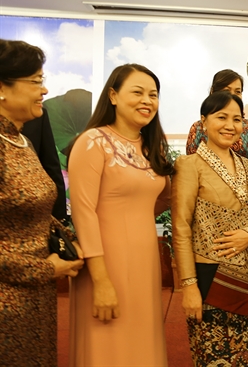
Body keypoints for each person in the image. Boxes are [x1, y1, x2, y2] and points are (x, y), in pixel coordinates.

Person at [67, 63, 174, 366]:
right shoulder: (93, 141)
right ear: (113, 96)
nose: (147, 101)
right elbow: (83, 212)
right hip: (104, 263)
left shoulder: (152, 148)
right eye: (137, 92)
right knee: (107, 347)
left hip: (144, 262)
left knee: (141, 343)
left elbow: (160, 200)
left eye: (153, 95)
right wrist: (101, 280)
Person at [172, 91, 248, 366]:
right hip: (209, 279)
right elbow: (181, 228)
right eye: (222, 117)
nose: (230, 125)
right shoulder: (189, 165)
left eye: (237, 119)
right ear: (203, 122)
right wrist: (188, 286)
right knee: (214, 356)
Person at [0, 39, 84, 366]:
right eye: (36, 81)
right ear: (2, 88)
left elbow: (35, 210)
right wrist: (46, 268)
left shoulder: (19, 139)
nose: (45, 90)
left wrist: (71, 241)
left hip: (35, 299)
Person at [186, 69, 248, 161]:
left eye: (238, 92)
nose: (232, 95)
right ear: (213, 92)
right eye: (226, 91)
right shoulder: (198, 128)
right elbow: (192, 162)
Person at [22, 106, 68, 221]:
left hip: (34, 217)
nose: (41, 96)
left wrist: (59, 219)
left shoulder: (37, 115)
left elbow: (50, 166)